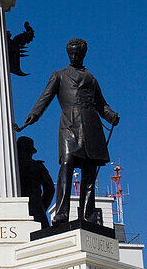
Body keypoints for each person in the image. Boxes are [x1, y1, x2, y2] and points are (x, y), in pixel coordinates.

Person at [16, 39, 119, 228]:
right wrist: (32, 116)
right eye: (71, 53)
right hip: (69, 126)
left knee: (89, 172)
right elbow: (45, 97)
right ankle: (61, 214)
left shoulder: (91, 78)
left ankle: (88, 215)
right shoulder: (60, 75)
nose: (74, 56)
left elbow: (101, 104)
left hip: (91, 127)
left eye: (77, 53)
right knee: (67, 165)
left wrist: (111, 116)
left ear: (83, 54)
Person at [16, 136, 55, 236]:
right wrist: (42, 205)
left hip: (16, 206)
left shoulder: (11, 166)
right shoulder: (38, 166)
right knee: (42, 239)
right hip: (36, 205)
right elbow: (50, 189)